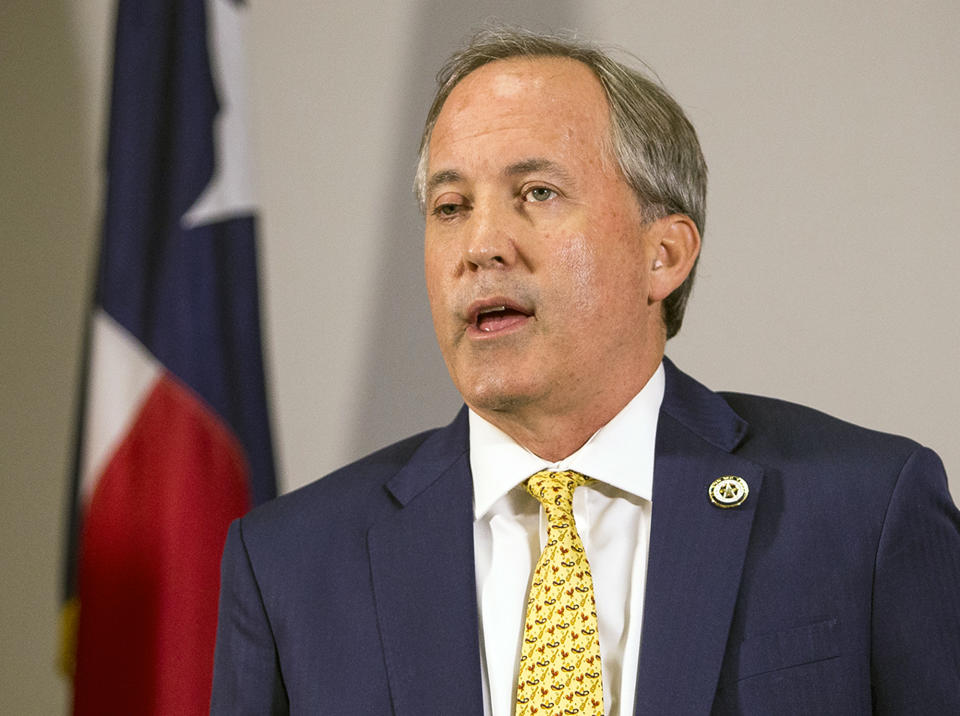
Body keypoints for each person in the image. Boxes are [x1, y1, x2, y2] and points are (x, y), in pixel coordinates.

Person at [210, 28, 960, 715]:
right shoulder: (291, 567)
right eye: (450, 206)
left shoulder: (864, 512)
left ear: (662, 254)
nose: (482, 245)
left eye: (537, 193)